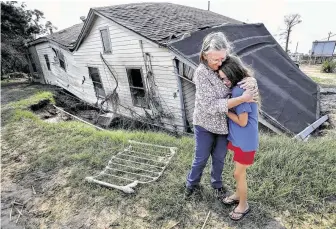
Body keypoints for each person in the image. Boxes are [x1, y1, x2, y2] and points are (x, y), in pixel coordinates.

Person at [185, 32, 259, 201]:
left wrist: (252, 81)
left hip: (224, 125)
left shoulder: (225, 60)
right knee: (201, 157)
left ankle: (217, 184)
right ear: (205, 55)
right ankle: (191, 184)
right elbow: (210, 105)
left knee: (219, 158)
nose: (219, 63)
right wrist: (241, 99)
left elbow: (242, 74)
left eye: (222, 59)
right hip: (204, 122)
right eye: (215, 60)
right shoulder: (201, 73)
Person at [218, 55, 259, 221]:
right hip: (240, 139)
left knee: (238, 174)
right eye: (222, 79)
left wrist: (225, 110)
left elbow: (242, 121)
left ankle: (243, 205)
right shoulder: (238, 88)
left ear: (234, 73)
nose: (224, 82)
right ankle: (237, 194)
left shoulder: (238, 91)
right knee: (238, 172)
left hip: (246, 140)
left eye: (226, 78)